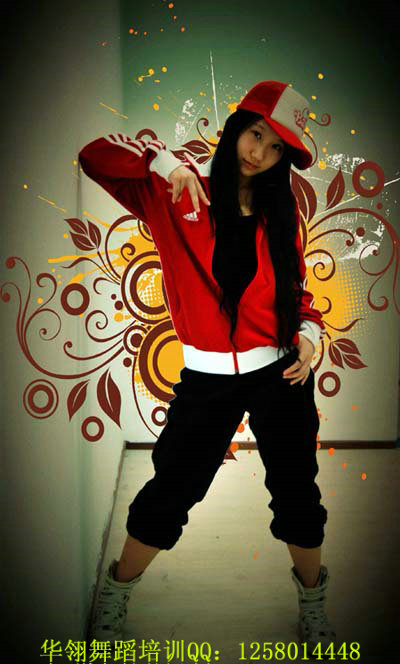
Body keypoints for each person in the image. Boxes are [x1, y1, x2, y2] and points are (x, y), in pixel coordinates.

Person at [79, 80, 336, 655]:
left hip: (280, 373)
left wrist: (309, 336)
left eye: (276, 148)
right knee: (172, 488)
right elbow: (95, 155)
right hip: (206, 377)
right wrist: (164, 162)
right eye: (256, 134)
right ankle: (117, 589)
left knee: (297, 492)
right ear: (238, 126)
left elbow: (298, 296)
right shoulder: (177, 190)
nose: (260, 152)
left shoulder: (281, 211)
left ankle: (314, 601)